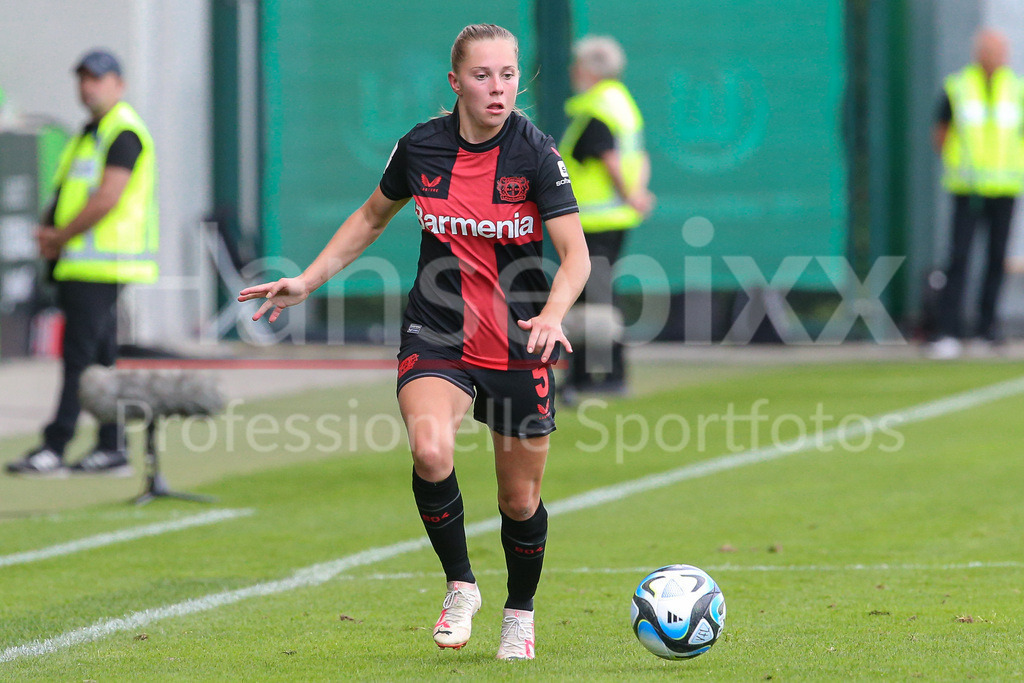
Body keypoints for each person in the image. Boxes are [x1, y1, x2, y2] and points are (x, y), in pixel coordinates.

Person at [239, 24, 589, 660]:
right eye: (483, 76)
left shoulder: (535, 154)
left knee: (520, 500)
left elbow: (576, 257)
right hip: (439, 331)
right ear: (454, 83)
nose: (498, 88)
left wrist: (554, 313)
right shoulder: (420, 148)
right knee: (431, 453)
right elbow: (372, 216)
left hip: (519, 342)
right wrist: (307, 281)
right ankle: (461, 584)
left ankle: (519, 610)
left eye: (508, 75)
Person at [6, 50, 159, 476]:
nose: (87, 86)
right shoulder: (89, 133)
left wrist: (60, 235)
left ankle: (56, 446)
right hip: (85, 264)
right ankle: (112, 448)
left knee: (78, 359)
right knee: (99, 359)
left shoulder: (121, 132)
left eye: (97, 77)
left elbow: (108, 197)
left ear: (118, 83)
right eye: (83, 78)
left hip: (100, 265)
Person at [557, 36, 653, 399]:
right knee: (593, 297)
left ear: (589, 69)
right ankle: (587, 377)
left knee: (593, 299)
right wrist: (636, 196)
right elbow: (639, 157)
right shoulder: (623, 104)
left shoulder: (597, 106)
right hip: (612, 219)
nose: (572, 72)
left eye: (577, 64)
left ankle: (600, 377)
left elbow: (610, 159)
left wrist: (630, 195)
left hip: (594, 222)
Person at [929, 28, 1024, 359]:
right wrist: (959, 166)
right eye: (989, 50)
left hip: (1005, 187)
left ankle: (988, 329)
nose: (995, 56)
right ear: (977, 52)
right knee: (959, 258)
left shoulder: (1017, 89)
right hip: (967, 188)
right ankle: (948, 331)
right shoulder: (958, 87)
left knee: (996, 260)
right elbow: (941, 131)